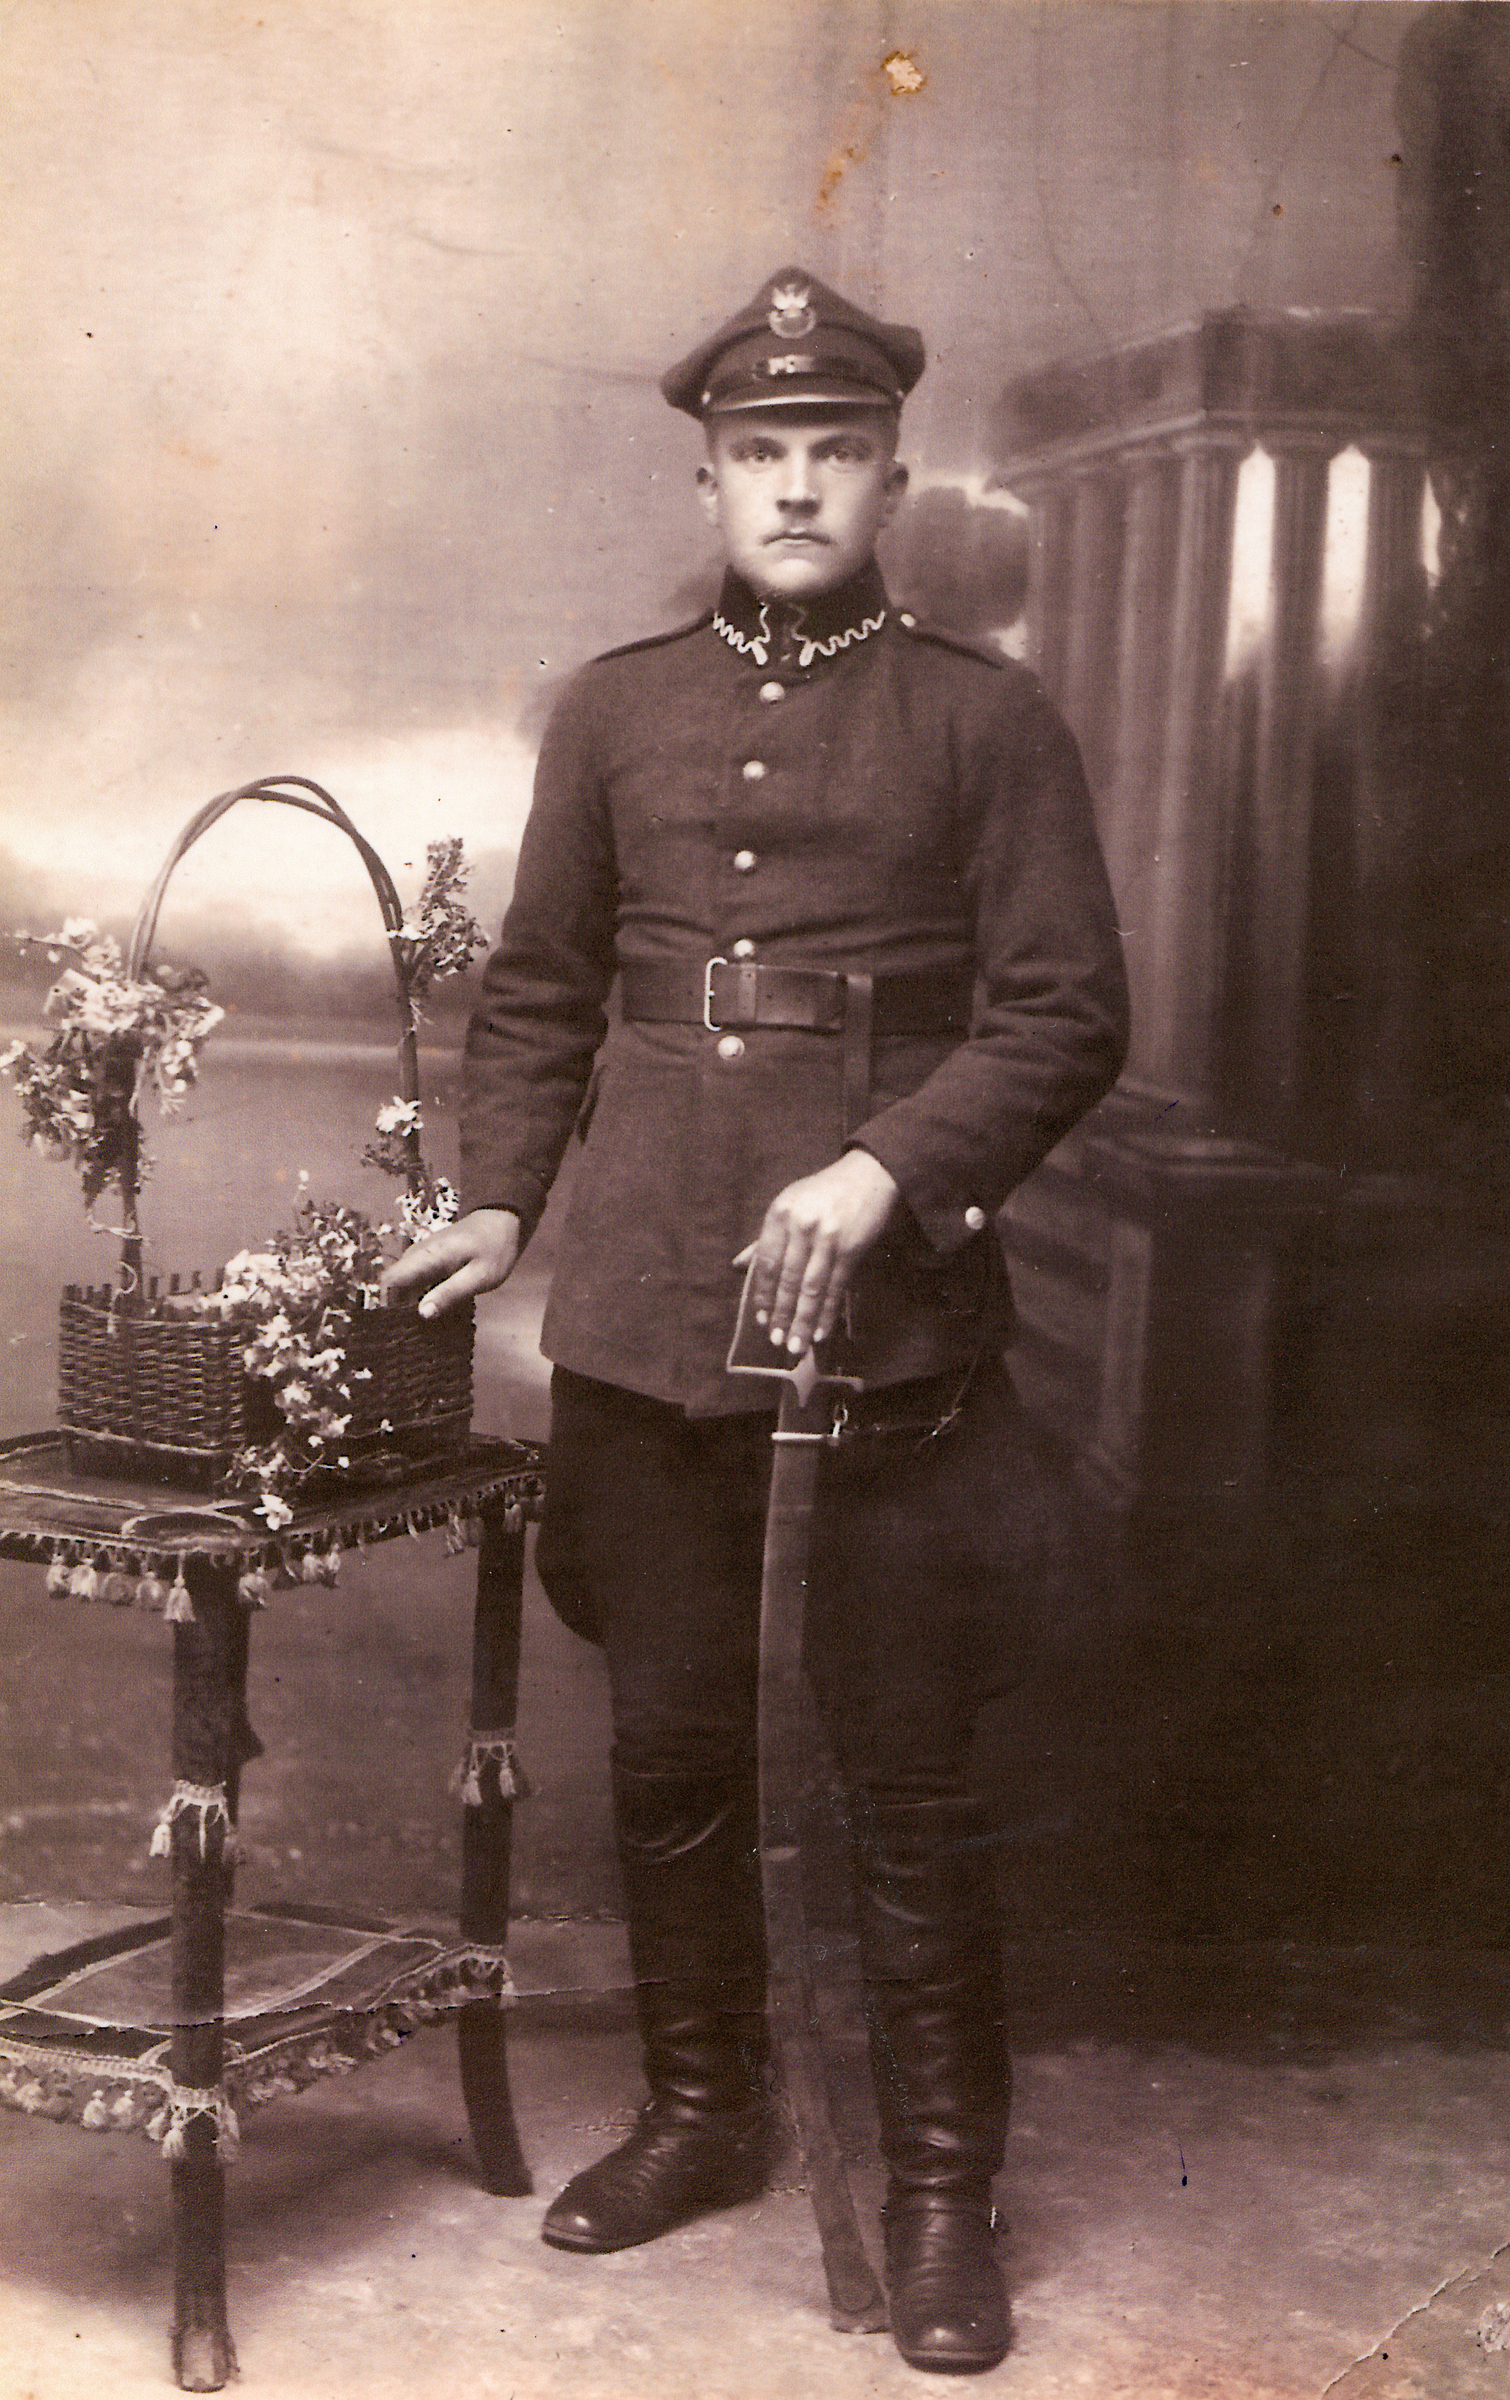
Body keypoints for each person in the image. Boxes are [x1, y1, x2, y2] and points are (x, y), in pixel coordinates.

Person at [384, 266, 1129, 2375]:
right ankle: (705, 2112)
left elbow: (1065, 1009)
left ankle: (939, 2191)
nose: (797, 487)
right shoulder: (612, 711)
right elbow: (542, 992)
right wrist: (500, 1201)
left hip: (887, 1330)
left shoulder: (986, 720)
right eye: (759, 454)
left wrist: (888, 1168)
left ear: (893, 479)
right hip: (643, 1315)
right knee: (678, 1745)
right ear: (706, 481)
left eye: (836, 452)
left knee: (905, 1769)